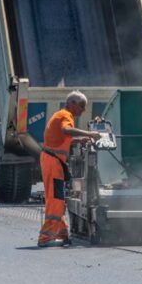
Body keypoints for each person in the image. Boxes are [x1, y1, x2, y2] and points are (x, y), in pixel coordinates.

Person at [38, 90, 101, 247]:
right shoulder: (66, 116)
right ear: (72, 104)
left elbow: (64, 137)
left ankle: (61, 234)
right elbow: (66, 131)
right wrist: (90, 134)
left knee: (57, 198)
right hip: (53, 162)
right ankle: (45, 238)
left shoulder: (61, 115)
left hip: (52, 161)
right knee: (56, 201)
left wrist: (80, 139)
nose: (83, 110)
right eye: (81, 106)